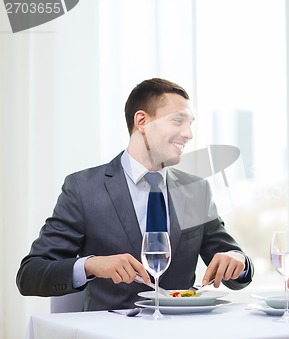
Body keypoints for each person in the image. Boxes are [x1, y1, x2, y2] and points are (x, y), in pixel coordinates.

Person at [17, 78, 253, 311]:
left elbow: (230, 262)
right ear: (141, 121)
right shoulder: (83, 188)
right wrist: (92, 265)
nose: (189, 133)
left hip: (182, 330)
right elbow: (30, 274)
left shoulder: (196, 190)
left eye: (190, 123)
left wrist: (237, 261)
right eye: (178, 121)